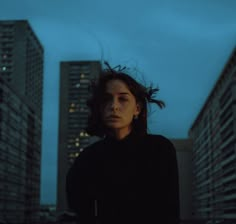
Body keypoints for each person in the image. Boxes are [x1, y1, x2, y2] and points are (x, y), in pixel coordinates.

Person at [66, 62, 180, 224]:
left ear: (137, 109)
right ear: (99, 108)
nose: (114, 106)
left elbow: (170, 213)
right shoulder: (87, 160)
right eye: (106, 99)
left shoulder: (159, 149)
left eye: (123, 99)